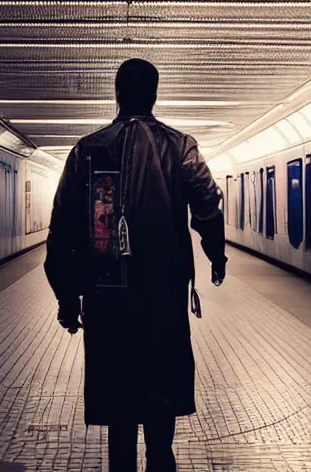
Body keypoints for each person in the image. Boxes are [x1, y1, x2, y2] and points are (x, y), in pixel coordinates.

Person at [44, 58, 227, 471]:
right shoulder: (180, 146)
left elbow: (61, 231)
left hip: (107, 297)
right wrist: (216, 254)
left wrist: (67, 299)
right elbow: (207, 206)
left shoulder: (86, 150)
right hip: (163, 294)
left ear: (117, 94)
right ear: (155, 95)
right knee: (161, 388)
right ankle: (161, 459)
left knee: (119, 397)